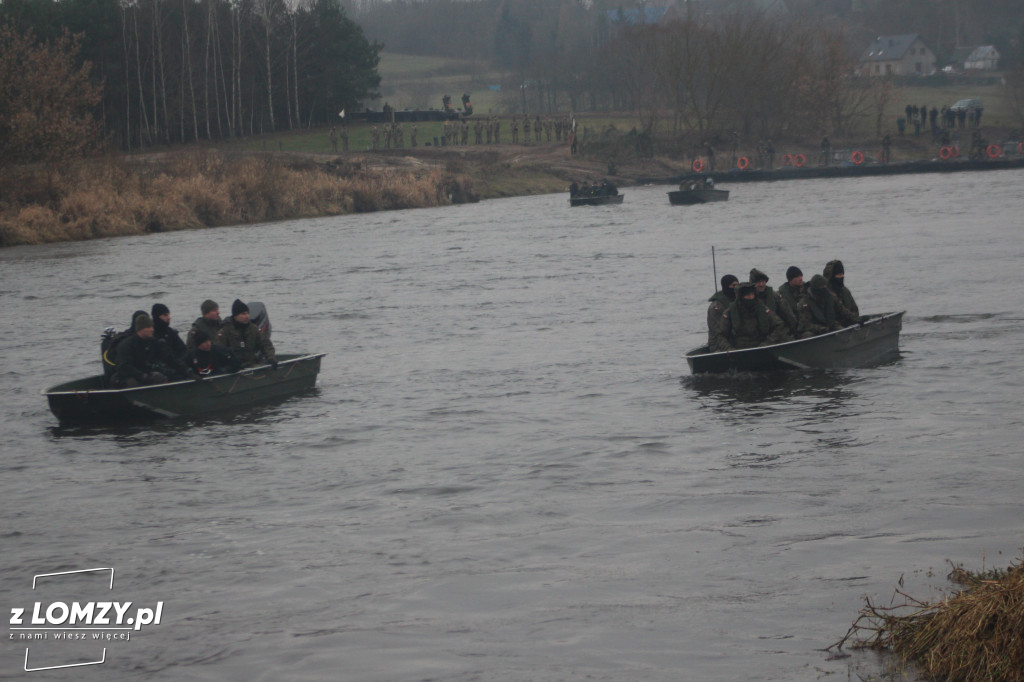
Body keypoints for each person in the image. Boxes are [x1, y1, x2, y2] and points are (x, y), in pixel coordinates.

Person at [112, 314, 190, 387]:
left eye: (152, 327)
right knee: (133, 382)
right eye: (148, 327)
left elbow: (169, 358)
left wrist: (186, 371)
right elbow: (123, 366)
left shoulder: (155, 343)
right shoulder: (127, 345)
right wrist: (142, 376)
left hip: (148, 373)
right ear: (140, 329)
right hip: (128, 376)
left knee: (167, 375)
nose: (152, 329)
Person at [710, 282, 791, 351]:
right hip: (739, 350)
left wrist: (767, 343)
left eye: (752, 294)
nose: (751, 297)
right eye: (747, 295)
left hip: (762, 347)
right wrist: (729, 349)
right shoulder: (730, 312)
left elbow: (779, 325)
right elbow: (720, 335)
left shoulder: (762, 309)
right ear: (741, 297)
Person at [216, 299, 277, 368]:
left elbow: (265, 344)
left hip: (251, 365)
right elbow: (219, 351)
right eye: (243, 314)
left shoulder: (253, 329)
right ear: (235, 316)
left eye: (247, 313)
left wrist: (271, 358)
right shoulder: (225, 331)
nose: (247, 316)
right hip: (233, 369)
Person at [749, 268, 797, 335]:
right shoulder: (749, 299)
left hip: (778, 330)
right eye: (758, 282)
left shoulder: (774, 296)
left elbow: (788, 314)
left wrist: (794, 331)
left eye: (763, 281)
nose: (761, 284)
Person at [707, 274, 738, 345]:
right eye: (733, 285)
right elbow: (718, 332)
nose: (736, 288)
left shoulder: (737, 301)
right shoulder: (716, 307)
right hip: (718, 343)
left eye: (737, 285)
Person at [777, 266, 805, 334]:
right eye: (797, 277)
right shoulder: (781, 293)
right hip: (791, 324)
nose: (801, 278)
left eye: (801, 276)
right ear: (790, 280)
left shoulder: (806, 288)